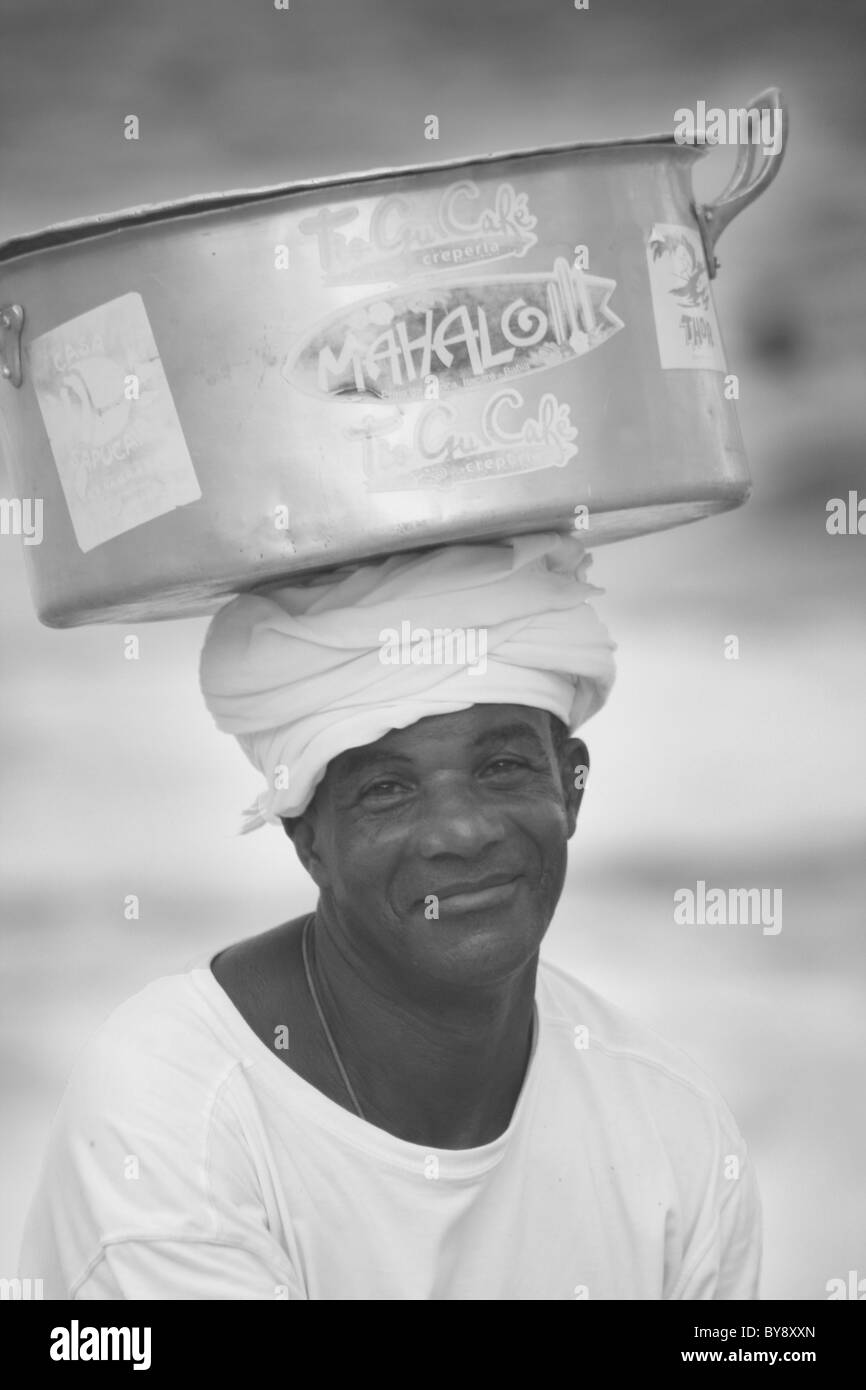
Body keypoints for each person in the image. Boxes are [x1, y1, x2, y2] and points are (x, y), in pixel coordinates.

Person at [19, 533, 761, 1299]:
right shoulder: (174, 1118)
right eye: (387, 791)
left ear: (570, 790)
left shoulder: (675, 1135)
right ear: (309, 840)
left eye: (502, 767)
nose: (462, 832)